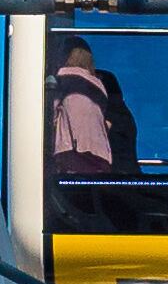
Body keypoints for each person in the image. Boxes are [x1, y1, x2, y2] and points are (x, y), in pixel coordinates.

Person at [50, 34, 139, 178]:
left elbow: (50, 116)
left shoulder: (62, 80)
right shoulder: (98, 86)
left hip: (73, 150)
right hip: (101, 156)